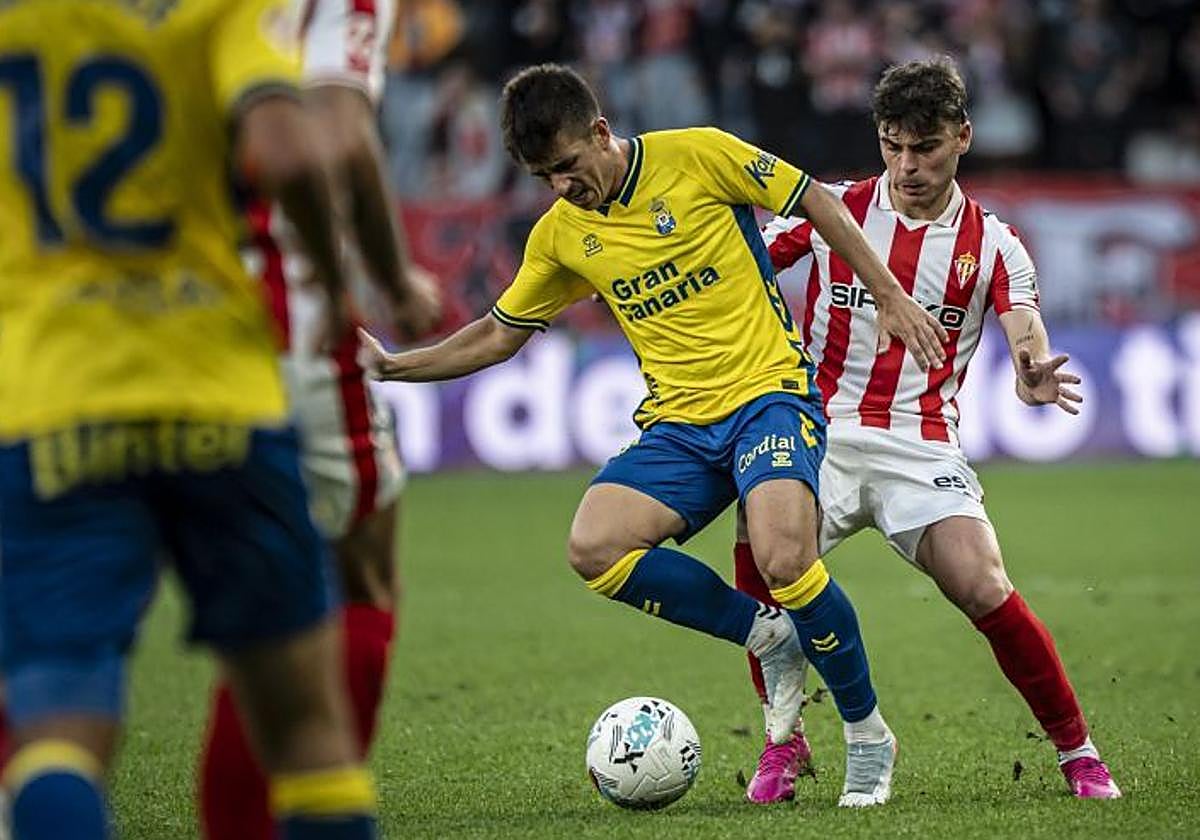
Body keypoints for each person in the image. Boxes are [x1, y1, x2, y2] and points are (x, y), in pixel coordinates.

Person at [359, 62, 949, 806]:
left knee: (785, 557)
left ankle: (868, 735)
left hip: (769, 394)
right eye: (546, 176)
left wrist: (889, 296)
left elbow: (817, 202)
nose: (563, 187)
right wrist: (390, 368)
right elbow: (497, 334)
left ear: (601, 134)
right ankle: (766, 635)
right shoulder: (562, 236)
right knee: (594, 548)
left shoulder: (698, 154)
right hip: (678, 422)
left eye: (569, 166)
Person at [0, 1, 380, 837]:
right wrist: (335, 278)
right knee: (311, 739)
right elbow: (286, 149)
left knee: (57, 738)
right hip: (220, 393)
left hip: (57, 396)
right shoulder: (220, 10)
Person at [734, 57, 1121, 805]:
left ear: (963, 137)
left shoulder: (994, 243)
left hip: (921, 446)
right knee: (763, 557)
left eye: (926, 147)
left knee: (983, 584)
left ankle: (1078, 752)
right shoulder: (834, 211)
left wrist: (1031, 367)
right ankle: (785, 742)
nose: (907, 166)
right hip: (821, 436)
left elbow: (1025, 327)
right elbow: (744, 266)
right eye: (892, 146)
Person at [196, 1, 441, 836]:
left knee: (70, 649)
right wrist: (391, 283)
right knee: (355, 583)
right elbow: (330, 139)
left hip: (100, 335)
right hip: (274, 319)